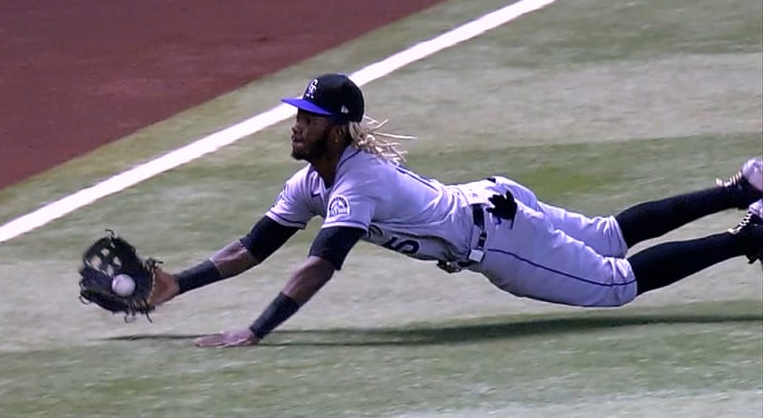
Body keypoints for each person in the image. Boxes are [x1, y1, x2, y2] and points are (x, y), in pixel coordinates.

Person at [148, 73, 763, 347]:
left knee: (615, 284)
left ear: (337, 131)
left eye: (309, 119)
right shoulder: (312, 183)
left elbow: (319, 265)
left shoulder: (357, 183)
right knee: (606, 234)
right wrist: (178, 284)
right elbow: (249, 249)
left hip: (497, 237)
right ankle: (742, 188)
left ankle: (747, 233)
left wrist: (257, 329)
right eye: (298, 115)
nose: (296, 125)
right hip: (492, 199)